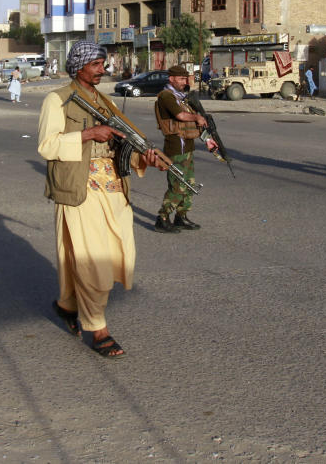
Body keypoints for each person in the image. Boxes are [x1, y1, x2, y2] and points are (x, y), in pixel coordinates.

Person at [37, 41, 162, 357]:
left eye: (102, 64)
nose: (101, 70)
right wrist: (88, 134)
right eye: (95, 64)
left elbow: (127, 142)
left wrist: (147, 157)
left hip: (115, 191)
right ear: (79, 66)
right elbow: (47, 146)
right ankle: (97, 328)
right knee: (91, 262)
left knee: (110, 254)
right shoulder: (57, 100)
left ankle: (67, 305)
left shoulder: (105, 101)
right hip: (81, 192)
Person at [153, 65, 216, 233]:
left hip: (187, 147)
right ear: (171, 79)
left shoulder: (181, 98)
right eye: (181, 79)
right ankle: (163, 218)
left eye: (185, 79)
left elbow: (193, 122)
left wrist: (208, 139)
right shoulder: (166, 96)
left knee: (189, 184)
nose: (184, 82)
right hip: (175, 148)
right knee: (177, 185)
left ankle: (181, 216)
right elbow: (180, 116)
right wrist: (196, 116)